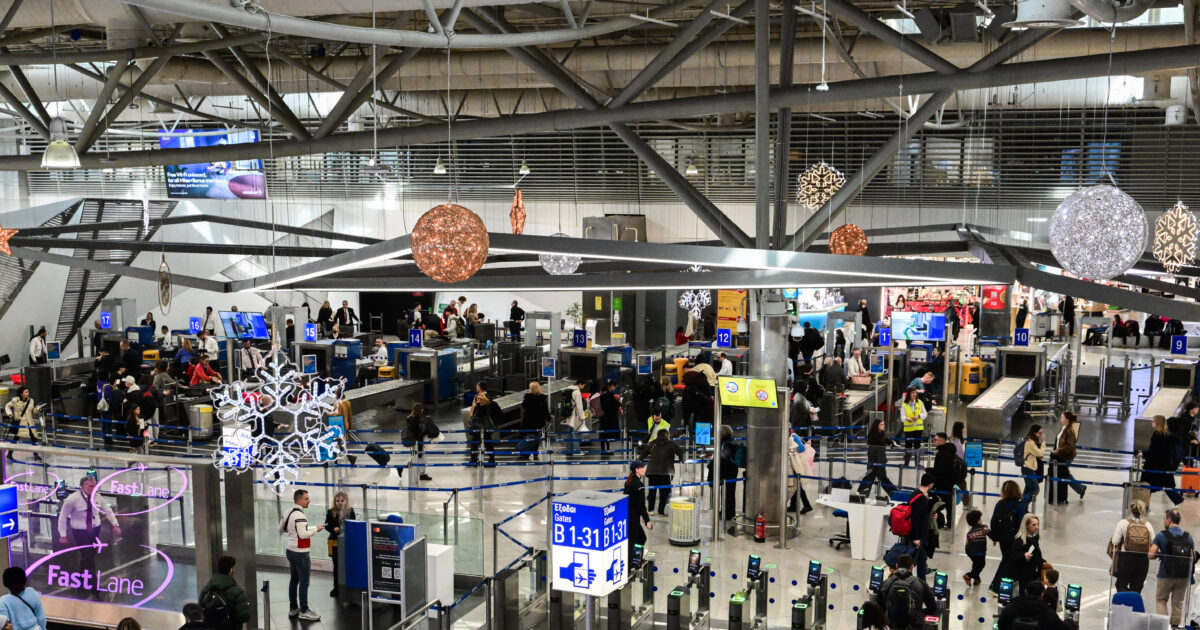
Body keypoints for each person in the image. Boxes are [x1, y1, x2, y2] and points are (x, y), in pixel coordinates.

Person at [58, 476, 120, 589]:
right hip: (80, 532)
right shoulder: (72, 499)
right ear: (83, 486)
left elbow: (108, 511)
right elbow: (63, 517)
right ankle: (92, 583)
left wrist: (115, 524)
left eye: (95, 486)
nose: (94, 488)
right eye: (91, 486)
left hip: (95, 530)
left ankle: (81, 580)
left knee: (88, 555)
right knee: (88, 556)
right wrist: (63, 534)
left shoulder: (98, 497)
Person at [279, 489, 325, 621]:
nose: (309, 501)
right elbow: (303, 535)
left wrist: (293, 532)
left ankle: (293, 608)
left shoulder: (287, 511)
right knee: (304, 582)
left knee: (294, 580)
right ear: (299, 500)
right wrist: (316, 529)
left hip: (290, 550)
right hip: (300, 553)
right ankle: (304, 610)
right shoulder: (300, 516)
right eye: (306, 499)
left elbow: (281, 528)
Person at [1149, 508, 1195, 626]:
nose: (1164, 521)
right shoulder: (1188, 537)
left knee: (1161, 600)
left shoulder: (1161, 535)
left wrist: (1159, 554)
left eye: (1164, 519)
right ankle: (1174, 627)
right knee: (1178, 603)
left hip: (1166, 574)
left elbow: (1150, 554)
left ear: (1169, 520)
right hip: (1183, 576)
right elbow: (1194, 555)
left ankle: (1164, 626)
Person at [873, 554, 936, 629]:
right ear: (912, 567)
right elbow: (932, 608)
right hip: (914, 626)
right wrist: (919, 612)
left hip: (891, 625)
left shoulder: (886, 583)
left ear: (896, 566)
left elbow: (879, 609)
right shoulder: (921, 583)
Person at [987, 481, 1027, 593]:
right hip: (1014, 539)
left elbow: (993, 521)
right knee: (1007, 561)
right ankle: (995, 587)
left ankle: (1008, 584)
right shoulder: (1020, 505)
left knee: (1008, 559)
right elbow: (1022, 523)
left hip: (1002, 538)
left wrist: (994, 537)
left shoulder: (999, 504)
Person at [992, 514, 1044, 596]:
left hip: (1031, 575)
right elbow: (1012, 557)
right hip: (1021, 578)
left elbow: (1037, 555)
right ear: (1026, 526)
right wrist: (1023, 556)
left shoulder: (1034, 538)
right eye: (1033, 525)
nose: (1037, 527)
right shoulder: (1019, 541)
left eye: (1037, 524)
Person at [1108, 499, 1152, 593]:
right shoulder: (1147, 525)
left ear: (1130, 510)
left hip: (1125, 559)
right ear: (1142, 511)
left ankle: (1124, 601)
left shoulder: (1123, 523)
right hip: (1142, 560)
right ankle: (1133, 601)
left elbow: (1115, 541)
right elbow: (1153, 541)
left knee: (1121, 585)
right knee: (1137, 588)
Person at [1142, 414, 1185, 506]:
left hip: (1154, 466)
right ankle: (1179, 502)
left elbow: (1154, 452)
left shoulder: (1157, 435)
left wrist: (1143, 454)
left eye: (1153, 421)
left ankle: (1144, 506)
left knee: (1146, 486)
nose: (1152, 423)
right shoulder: (1167, 435)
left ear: (1157, 423)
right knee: (1167, 486)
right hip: (1164, 466)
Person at [640, 429, 684, 516]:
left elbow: (644, 453)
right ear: (667, 435)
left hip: (652, 471)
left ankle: (651, 510)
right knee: (664, 492)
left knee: (652, 492)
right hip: (665, 472)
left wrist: (639, 458)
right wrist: (682, 459)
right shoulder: (671, 444)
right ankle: (661, 511)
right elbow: (680, 451)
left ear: (658, 435)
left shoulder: (653, 443)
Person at [200, 555, 251, 630]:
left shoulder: (206, 589)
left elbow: (200, 609)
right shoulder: (237, 591)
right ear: (231, 570)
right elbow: (244, 617)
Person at [996, 581, 1068, 630]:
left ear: (1025, 592)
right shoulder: (1048, 613)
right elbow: (1063, 628)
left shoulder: (1011, 608)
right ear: (1041, 595)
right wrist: (1069, 621)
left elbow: (1001, 624)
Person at [1049, 411, 1086, 504]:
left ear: (1067, 419)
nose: (1060, 418)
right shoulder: (1063, 428)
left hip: (1066, 456)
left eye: (1062, 417)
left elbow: (1070, 446)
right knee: (1065, 474)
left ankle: (1080, 488)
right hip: (1059, 456)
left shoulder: (1070, 431)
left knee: (1064, 474)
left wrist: (1058, 450)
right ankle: (1080, 488)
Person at [324, 492, 356, 598]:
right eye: (337, 501)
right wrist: (333, 529)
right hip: (334, 541)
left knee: (347, 565)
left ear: (346, 501)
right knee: (336, 565)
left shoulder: (350, 511)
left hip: (346, 541)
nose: (340, 503)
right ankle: (336, 588)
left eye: (342, 501)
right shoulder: (331, 512)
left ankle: (348, 587)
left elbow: (353, 525)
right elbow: (326, 525)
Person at [858, 417, 897, 497]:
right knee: (874, 477)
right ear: (877, 426)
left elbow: (886, 440)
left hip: (880, 459)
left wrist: (891, 443)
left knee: (878, 477)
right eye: (881, 425)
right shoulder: (873, 435)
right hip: (874, 460)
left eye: (883, 424)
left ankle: (861, 494)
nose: (883, 426)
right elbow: (877, 444)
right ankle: (861, 495)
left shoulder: (882, 433)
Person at [906, 474, 935, 578]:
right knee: (911, 562)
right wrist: (916, 538)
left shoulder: (915, 493)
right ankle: (908, 581)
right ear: (931, 484)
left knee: (922, 561)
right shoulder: (921, 499)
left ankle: (922, 583)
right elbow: (916, 519)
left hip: (919, 536)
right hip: (918, 536)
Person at [931, 432, 961, 526]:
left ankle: (937, 522)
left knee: (936, 503)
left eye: (935, 439)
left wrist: (928, 470)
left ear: (942, 441)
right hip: (949, 482)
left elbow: (939, 470)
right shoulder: (950, 451)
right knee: (948, 504)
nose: (934, 441)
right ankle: (949, 524)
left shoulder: (942, 453)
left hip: (941, 483)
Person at [624, 461, 651, 562]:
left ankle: (636, 560)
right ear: (636, 470)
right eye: (642, 467)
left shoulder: (628, 481)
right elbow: (641, 505)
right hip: (633, 518)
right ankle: (632, 563)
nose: (644, 469)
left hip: (629, 516)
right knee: (636, 540)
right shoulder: (639, 485)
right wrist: (647, 521)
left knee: (639, 539)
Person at [401, 403, 437, 479]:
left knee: (416, 456)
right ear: (420, 410)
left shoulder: (410, 417)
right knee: (421, 457)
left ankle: (402, 467)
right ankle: (422, 474)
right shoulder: (416, 418)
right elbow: (415, 430)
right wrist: (422, 432)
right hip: (417, 441)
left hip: (413, 440)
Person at [4, 387, 39, 455]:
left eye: (28, 392)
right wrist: (10, 414)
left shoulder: (31, 400)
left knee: (34, 438)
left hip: (29, 422)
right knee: (16, 439)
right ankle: (9, 454)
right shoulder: (15, 401)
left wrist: (37, 409)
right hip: (20, 423)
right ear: (21, 393)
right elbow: (7, 406)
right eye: (26, 392)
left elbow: (32, 412)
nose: (28, 393)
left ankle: (36, 454)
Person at [519, 382, 550, 460]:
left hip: (528, 421)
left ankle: (526, 452)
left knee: (528, 436)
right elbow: (545, 410)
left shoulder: (527, 397)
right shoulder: (542, 398)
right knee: (536, 437)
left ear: (531, 388)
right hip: (539, 421)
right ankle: (535, 452)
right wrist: (549, 418)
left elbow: (524, 406)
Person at [786, 429, 814, 514]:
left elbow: (802, 448)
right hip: (792, 464)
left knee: (797, 486)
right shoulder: (788, 436)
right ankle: (794, 505)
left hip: (796, 465)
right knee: (796, 485)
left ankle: (806, 505)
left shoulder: (793, 436)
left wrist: (789, 451)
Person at [898, 387, 926, 468]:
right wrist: (907, 418)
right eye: (913, 393)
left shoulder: (919, 402)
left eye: (915, 392)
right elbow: (902, 417)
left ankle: (917, 464)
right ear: (909, 394)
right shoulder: (904, 404)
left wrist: (919, 416)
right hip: (908, 429)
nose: (915, 394)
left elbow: (925, 414)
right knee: (908, 447)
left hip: (918, 429)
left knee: (917, 446)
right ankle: (906, 463)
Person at [1019, 424, 1045, 501]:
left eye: (1042, 433)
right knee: (1035, 490)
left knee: (1028, 488)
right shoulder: (1030, 442)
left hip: (1027, 467)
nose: (1041, 435)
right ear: (1034, 433)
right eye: (1040, 433)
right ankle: (1022, 505)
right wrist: (1043, 442)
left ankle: (1021, 506)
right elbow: (1040, 453)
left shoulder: (1030, 440)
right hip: (1028, 468)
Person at [963, 509, 989, 588]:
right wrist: (994, 539)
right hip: (980, 552)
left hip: (971, 552)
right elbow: (989, 532)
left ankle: (977, 580)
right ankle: (968, 576)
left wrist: (969, 553)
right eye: (980, 518)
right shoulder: (983, 527)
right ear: (978, 520)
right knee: (981, 565)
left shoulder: (969, 532)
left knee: (976, 566)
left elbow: (967, 544)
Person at [598, 380, 623, 453]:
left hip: (606, 417)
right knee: (605, 434)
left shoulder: (606, 392)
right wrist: (617, 403)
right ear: (611, 386)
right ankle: (603, 450)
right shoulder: (606, 393)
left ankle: (607, 449)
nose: (615, 388)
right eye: (615, 386)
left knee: (606, 434)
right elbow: (608, 405)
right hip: (607, 417)